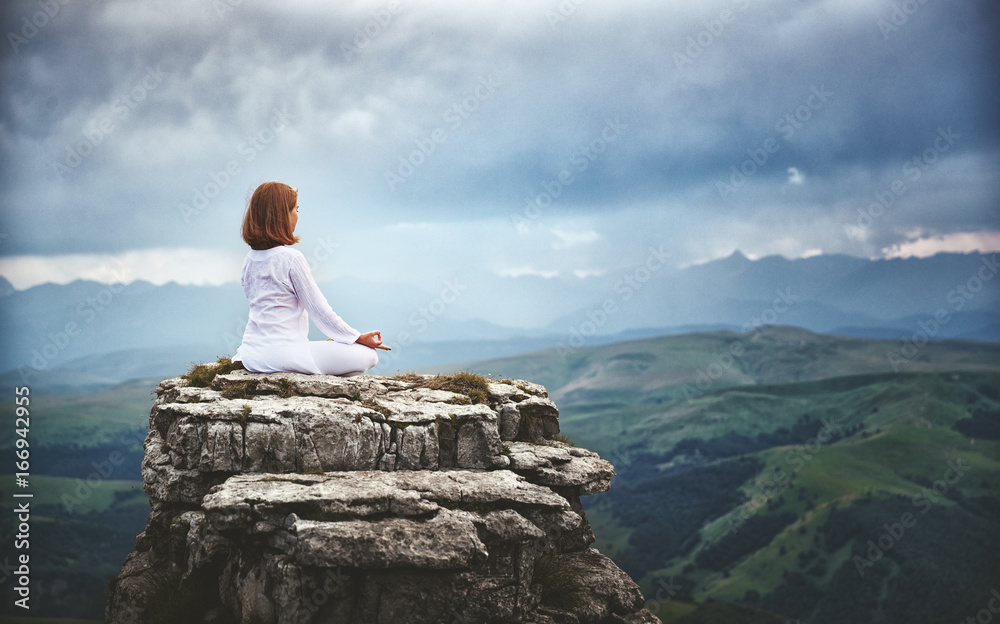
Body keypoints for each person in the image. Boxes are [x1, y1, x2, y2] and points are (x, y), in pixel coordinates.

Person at [231, 181, 389, 376]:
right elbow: (320, 311)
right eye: (295, 210)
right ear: (281, 216)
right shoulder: (291, 259)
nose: (297, 215)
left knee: (334, 349)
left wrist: (341, 339)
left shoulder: (250, 259)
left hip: (252, 355)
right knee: (368, 355)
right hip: (285, 355)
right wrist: (355, 338)